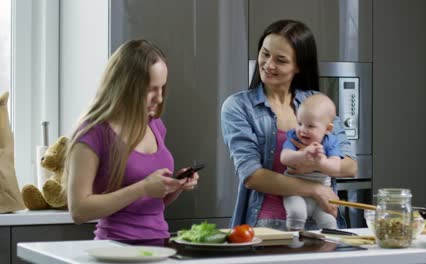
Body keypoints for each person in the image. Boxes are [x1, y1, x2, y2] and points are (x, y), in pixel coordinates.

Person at [221, 19, 357, 230]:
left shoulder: (318, 103)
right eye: (265, 53)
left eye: (281, 60)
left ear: (299, 66)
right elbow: (252, 176)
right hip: (265, 226)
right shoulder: (239, 106)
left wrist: (315, 163)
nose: (268, 65)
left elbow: (350, 166)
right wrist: (315, 189)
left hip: (322, 225)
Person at [63, 39, 199, 240]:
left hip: (159, 247)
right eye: (151, 89)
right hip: (115, 250)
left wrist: (174, 186)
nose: (159, 98)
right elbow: (79, 210)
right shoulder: (93, 133)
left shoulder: (154, 125)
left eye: (162, 87)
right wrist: (143, 187)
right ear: (126, 86)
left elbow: (149, 205)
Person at [281, 94, 346, 230]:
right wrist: (301, 154)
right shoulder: (294, 137)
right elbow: (284, 158)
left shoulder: (330, 142)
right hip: (295, 191)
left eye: (310, 126)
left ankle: (329, 249)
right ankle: (294, 243)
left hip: (320, 198)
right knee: (297, 213)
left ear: (327, 129)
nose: (302, 130)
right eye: (299, 123)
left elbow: (335, 168)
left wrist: (320, 162)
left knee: (329, 221)